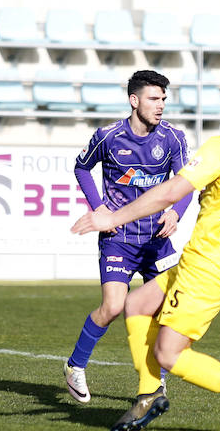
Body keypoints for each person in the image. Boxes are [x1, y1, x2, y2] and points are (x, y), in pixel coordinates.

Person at [71, 69, 220, 431]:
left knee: (169, 354)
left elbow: (167, 193)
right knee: (136, 304)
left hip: (209, 266)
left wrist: (111, 216)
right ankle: (149, 395)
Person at [64, 70, 191, 404]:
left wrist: (175, 211)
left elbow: (186, 184)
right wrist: (100, 209)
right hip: (119, 238)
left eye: (163, 98)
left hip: (157, 238)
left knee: (168, 312)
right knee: (113, 306)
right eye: (153, 98)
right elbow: (81, 168)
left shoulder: (174, 138)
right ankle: (75, 366)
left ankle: (156, 382)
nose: (161, 105)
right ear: (134, 101)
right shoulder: (108, 136)